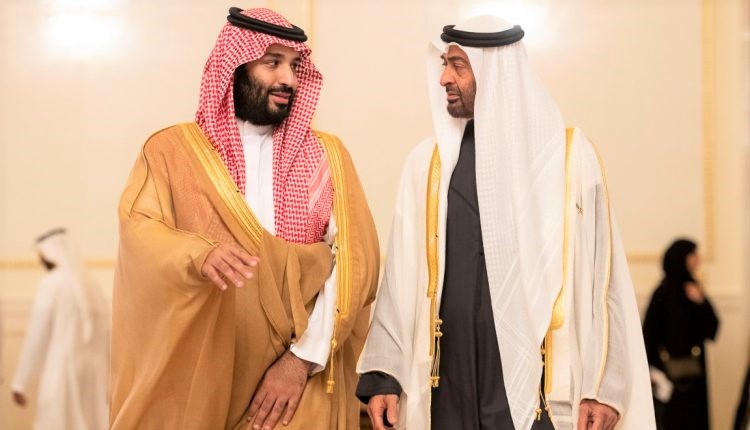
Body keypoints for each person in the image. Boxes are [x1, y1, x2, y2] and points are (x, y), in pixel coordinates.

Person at [356, 15, 655, 430]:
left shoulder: (567, 158)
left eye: (458, 66)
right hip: (450, 385)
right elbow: (399, 281)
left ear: (494, 71)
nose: (443, 78)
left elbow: (604, 285)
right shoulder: (428, 164)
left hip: (540, 387)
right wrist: (384, 376)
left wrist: (604, 386)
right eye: (444, 64)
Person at [109, 7, 379, 430]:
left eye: (294, 66)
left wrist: (301, 361)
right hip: (205, 373)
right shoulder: (171, 152)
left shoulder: (326, 156)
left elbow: (353, 265)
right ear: (234, 67)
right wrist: (197, 254)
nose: (288, 79)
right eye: (272, 63)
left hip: (299, 382)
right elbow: (140, 230)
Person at [11, 228, 109, 430]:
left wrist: (21, 382)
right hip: (95, 378)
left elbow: (36, 335)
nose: (40, 260)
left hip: (61, 374)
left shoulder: (52, 283)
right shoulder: (93, 285)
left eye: (42, 255)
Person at [643, 239, 719, 430]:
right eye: (693, 255)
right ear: (681, 258)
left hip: (695, 376)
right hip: (667, 377)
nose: (697, 259)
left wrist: (702, 302)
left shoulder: (694, 289)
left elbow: (712, 329)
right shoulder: (662, 293)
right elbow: (649, 334)